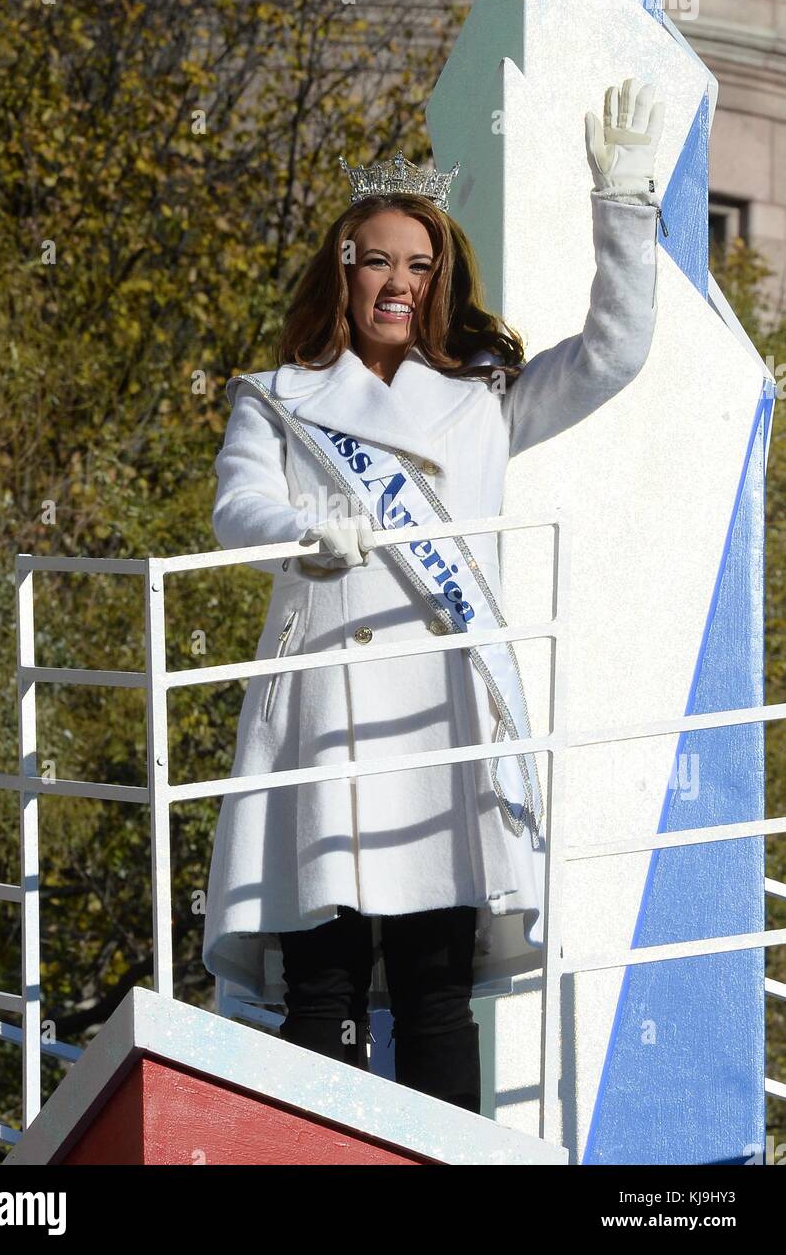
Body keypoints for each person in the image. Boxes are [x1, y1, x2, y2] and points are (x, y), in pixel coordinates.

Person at [202, 77, 667, 1114]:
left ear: (441, 277)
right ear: (344, 270)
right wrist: (303, 534)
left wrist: (625, 205)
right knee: (320, 993)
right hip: (323, 721)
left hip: (440, 726)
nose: (400, 282)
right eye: (380, 261)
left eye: (422, 263)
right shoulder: (275, 402)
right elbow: (237, 510)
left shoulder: (482, 402)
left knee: (434, 993)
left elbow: (613, 352)